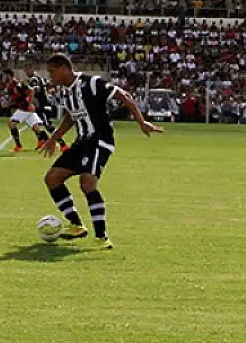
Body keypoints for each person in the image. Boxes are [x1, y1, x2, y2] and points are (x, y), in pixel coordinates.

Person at [39, 54, 162, 250]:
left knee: (87, 183)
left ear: (63, 68)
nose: (50, 76)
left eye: (52, 72)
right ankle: (77, 225)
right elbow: (71, 116)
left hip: (100, 140)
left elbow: (124, 95)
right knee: (52, 178)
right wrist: (54, 138)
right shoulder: (65, 92)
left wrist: (141, 122)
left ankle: (102, 237)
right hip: (82, 142)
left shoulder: (92, 83)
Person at [3, 68, 66, 153]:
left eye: (4, 75)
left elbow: (31, 90)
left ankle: (18, 146)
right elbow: (16, 98)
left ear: (8, 76)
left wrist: (29, 103)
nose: (2, 77)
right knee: (36, 128)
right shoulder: (10, 85)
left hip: (25, 108)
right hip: (26, 108)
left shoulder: (16, 84)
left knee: (12, 124)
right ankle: (49, 142)